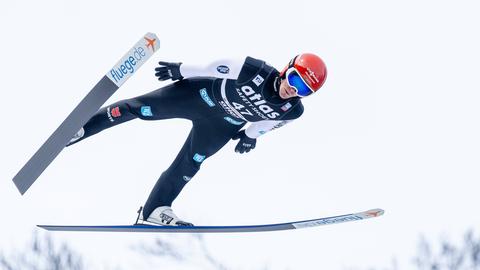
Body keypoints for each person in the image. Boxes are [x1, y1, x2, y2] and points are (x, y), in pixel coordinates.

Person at [67, 53, 327, 226]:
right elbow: (214, 66)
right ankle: (80, 129)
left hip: (221, 125)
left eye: (304, 89)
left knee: (191, 163)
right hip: (199, 96)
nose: (293, 89)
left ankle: (155, 211)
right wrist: (181, 69)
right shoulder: (254, 70)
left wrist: (250, 136)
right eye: (294, 79)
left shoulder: (292, 110)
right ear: (286, 70)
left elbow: (269, 123)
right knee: (139, 108)